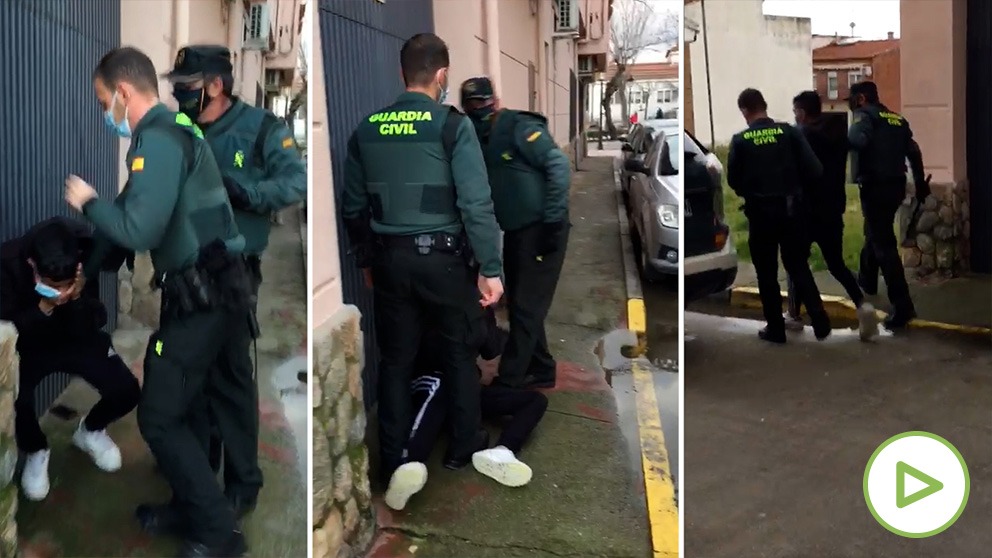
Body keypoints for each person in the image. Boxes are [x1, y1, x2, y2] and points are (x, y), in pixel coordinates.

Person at [64, 46, 253, 557]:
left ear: (123, 93)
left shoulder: (157, 142)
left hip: (205, 294)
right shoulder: (173, 131)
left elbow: (139, 226)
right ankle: (192, 508)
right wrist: (89, 266)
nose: (107, 113)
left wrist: (88, 202)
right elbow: (132, 210)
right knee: (188, 406)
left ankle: (219, 534)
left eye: (105, 101)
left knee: (160, 415)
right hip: (212, 288)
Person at [340, 33, 505, 489]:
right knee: (458, 352)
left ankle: (393, 460)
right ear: (442, 76)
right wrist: (491, 270)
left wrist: (367, 261)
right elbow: (476, 203)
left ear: (401, 74)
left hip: (390, 262)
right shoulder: (453, 126)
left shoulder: (366, 129)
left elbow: (353, 207)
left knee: (395, 361)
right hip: (445, 263)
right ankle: (462, 447)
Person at [163, 44, 307, 517]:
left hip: (230, 272)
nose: (180, 95)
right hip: (182, 270)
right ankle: (200, 464)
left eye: (187, 88)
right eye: (177, 87)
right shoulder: (181, 128)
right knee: (188, 376)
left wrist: (246, 190)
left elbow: (295, 182)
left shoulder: (262, 128)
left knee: (230, 377)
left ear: (216, 86)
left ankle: (244, 479)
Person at [0, 217, 140, 502]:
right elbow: (8, 331)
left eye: (65, 286)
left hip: (77, 338)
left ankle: (90, 431)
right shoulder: (8, 265)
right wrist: (42, 308)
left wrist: (75, 299)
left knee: (127, 389)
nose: (59, 294)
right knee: (14, 398)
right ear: (32, 267)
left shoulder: (82, 253)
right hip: (30, 345)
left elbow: (97, 318)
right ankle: (37, 450)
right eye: (52, 287)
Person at [459, 76, 571, 389]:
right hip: (517, 232)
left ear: (493, 101)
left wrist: (552, 220)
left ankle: (509, 381)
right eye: (471, 105)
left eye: (482, 102)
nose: (478, 109)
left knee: (526, 308)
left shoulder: (518, 127)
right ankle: (542, 368)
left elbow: (558, 167)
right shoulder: (475, 136)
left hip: (544, 229)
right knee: (523, 304)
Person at [384, 307, 547, 511]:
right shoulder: (430, 297)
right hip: (432, 379)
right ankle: (407, 464)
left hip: (465, 391)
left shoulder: (475, 300)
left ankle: (503, 451)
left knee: (535, 400)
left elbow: (492, 347)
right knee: (439, 388)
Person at [726, 88, 832, 343]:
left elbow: (733, 180)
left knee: (766, 271)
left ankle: (776, 328)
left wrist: (751, 191)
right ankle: (819, 319)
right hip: (792, 209)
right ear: (765, 106)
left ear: (744, 111)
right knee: (797, 264)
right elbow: (815, 169)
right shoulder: (790, 132)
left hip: (761, 214)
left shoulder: (740, 140)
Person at [787, 91, 879, 340]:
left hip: (806, 209)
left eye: (796, 112)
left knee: (796, 262)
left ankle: (794, 315)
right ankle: (863, 306)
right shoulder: (839, 132)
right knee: (836, 264)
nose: (795, 116)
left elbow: (796, 170)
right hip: (832, 208)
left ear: (803, 112)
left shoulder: (803, 135)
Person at [848, 80, 922, 329]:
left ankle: (903, 307)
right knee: (874, 233)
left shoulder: (864, 117)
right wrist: (921, 184)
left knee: (884, 245)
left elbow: (857, 141)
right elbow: (914, 151)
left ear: (861, 99)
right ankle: (866, 281)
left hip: (875, 188)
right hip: (895, 188)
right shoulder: (896, 119)